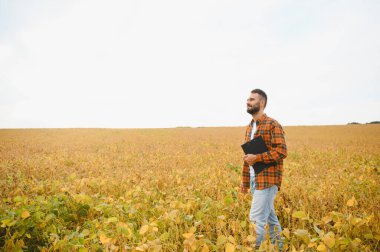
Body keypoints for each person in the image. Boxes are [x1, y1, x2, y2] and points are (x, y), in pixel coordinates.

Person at [240, 89, 287, 250]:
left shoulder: (273, 125)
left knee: (255, 219)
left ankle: (256, 248)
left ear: (262, 103)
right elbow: (248, 157)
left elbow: (281, 151)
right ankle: (280, 248)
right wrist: (245, 182)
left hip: (267, 180)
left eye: (252, 99)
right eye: (248, 99)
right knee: (270, 220)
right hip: (255, 180)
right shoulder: (249, 127)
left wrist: (257, 158)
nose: (248, 102)